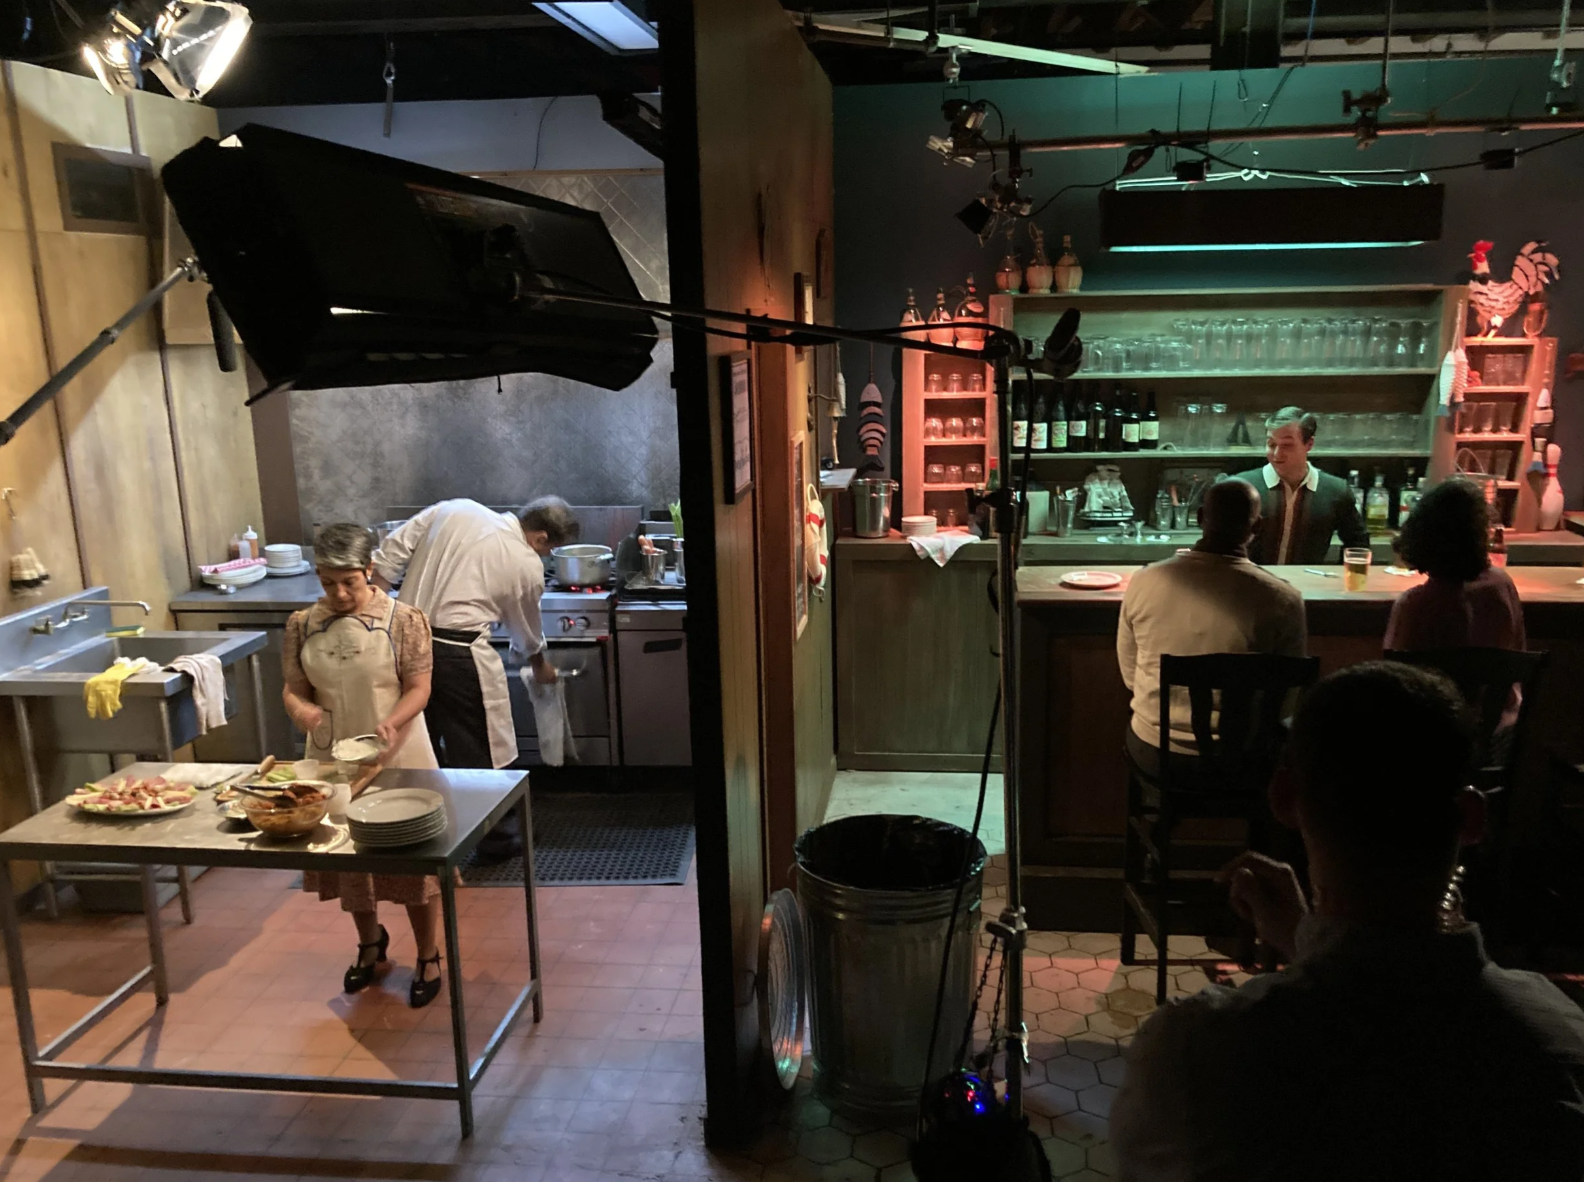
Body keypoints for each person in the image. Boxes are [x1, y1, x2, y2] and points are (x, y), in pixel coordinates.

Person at [1111, 662, 1584, 1181]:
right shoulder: (1561, 1042)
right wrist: (1306, 940)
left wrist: (1309, 945)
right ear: (1472, 818)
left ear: (1283, 798)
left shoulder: (1192, 1054)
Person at [282, 523, 447, 1008]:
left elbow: (420, 687)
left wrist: (392, 723)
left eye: (349, 582)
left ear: (369, 570)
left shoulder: (404, 619)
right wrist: (301, 711)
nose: (338, 593)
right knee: (348, 856)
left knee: (412, 861)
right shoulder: (302, 624)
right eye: (327, 582)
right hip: (332, 759)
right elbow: (294, 688)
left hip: (399, 753)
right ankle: (371, 943)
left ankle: (428, 953)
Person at [372, 497, 578, 860]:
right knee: (480, 748)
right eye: (549, 550)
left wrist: (375, 618)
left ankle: (421, 832)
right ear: (541, 538)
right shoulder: (524, 561)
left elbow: (390, 553)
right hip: (456, 654)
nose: (545, 556)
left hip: (403, 643)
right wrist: (539, 664)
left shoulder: (456, 508)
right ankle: (497, 840)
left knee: (418, 744)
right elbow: (525, 627)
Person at [1117, 478, 1307, 777]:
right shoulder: (1284, 599)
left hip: (1158, 752)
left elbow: (1130, 675)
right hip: (1246, 759)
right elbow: (1287, 700)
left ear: (1200, 517)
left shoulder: (1144, 581)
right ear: (1258, 526)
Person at [1386, 477, 1525, 653]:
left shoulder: (1414, 604)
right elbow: (1518, 651)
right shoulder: (1502, 586)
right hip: (1491, 673)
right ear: (1480, 533)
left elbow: (1394, 666)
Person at [1230, 406, 1370, 566]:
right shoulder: (1241, 487)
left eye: (1287, 445)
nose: (1276, 454)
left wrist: (1341, 576)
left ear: (1309, 444)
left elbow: (1358, 543)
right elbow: (1218, 546)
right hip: (1250, 580)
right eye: (1271, 444)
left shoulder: (1335, 490)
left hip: (1307, 581)